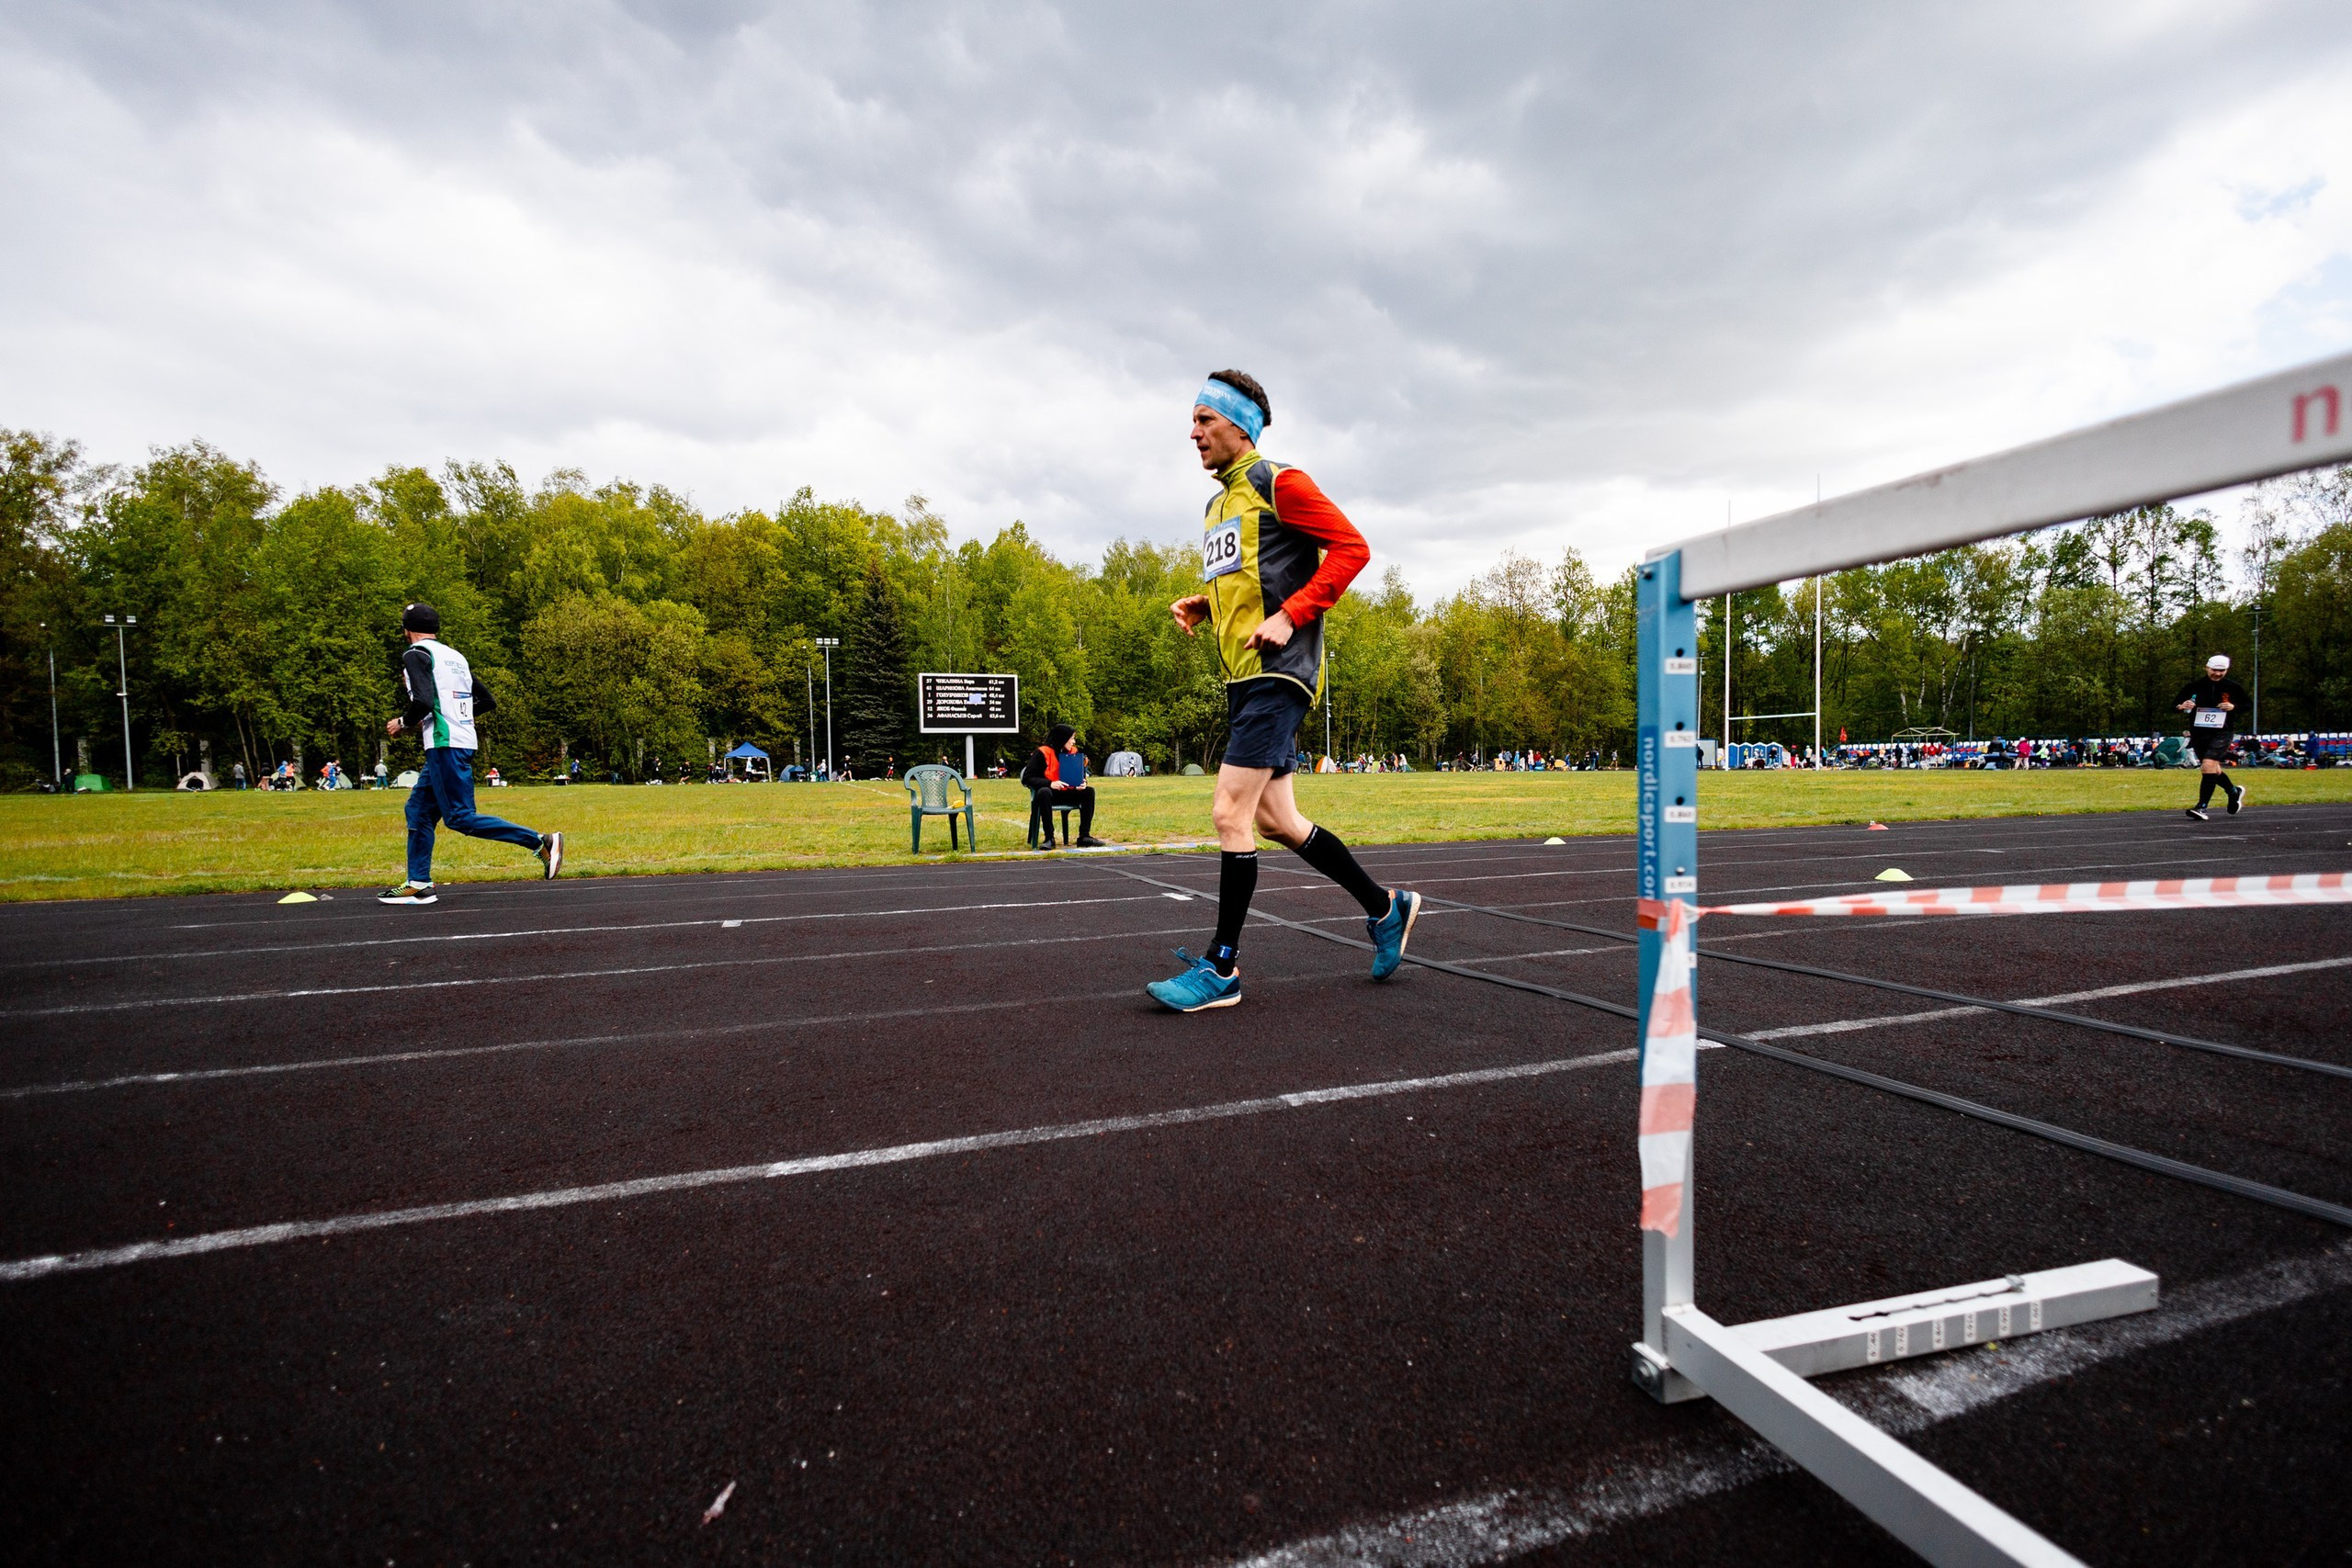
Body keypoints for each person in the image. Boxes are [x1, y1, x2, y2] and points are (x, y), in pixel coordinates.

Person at [1147, 369, 1419, 1012]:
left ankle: (1221, 969)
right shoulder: (1219, 504)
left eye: (1205, 421)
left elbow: (1352, 549)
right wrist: (1208, 606)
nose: (1193, 433)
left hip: (1280, 674)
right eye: (1192, 422)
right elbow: (1253, 579)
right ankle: (1386, 909)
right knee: (1277, 821)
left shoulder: (1281, 482)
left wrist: (1293, 614)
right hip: (1242, 680)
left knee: (1227, 814)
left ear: (1240, 425)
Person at [379, 603, 562, 906]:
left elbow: (423, 702)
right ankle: (419, 883)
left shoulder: (415, 654)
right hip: (460, 741)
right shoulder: (454, 657)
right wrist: (454, 715)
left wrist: (404, 723)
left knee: (460, 818)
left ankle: (540, 841)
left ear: (406, 630)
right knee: (419, 812)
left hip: (444, 744)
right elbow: (487, 700)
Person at [2177, 653, 2250, 820]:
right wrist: (2182, 706)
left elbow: (2248, 705)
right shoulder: (2194, 686)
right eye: (2214, 670)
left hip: (2222, 731)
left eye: (2222, 670)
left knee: (2207, 766)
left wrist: (2233, 706)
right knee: (2213, 770)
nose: (2218, 673)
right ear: (2207, 668)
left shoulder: (2233, 687)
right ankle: (2234, 792)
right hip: (2200, 733)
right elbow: (2175, 704)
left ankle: (2201, 807)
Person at [1023, 723, 1103, 847]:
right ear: (1062, 739)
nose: (1074, 742)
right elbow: (1027, 778)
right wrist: (1050, 783)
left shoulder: (1074, 752)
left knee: (1089, 792)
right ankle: (1049, 838)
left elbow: (1080, 774)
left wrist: (1082, 783)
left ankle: (1084, 836)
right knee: (1044, 792)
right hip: (1049, 794)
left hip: (1068, 792)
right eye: (1072, 738)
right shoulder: (1042, 753)